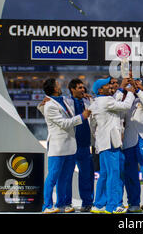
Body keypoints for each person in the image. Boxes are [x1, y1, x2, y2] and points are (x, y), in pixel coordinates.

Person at [40, 78, 90, 214]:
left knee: (66, 178)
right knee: (53, 177)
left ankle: (63, 204)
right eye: (57, 84)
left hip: (70, 146)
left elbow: (73, 101)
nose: (60, 85)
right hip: (57, 147)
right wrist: (82, 117)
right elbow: (64, 123)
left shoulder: (62, 100)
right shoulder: (50, 105)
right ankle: (47, 206)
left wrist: (84, 96)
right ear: (54, 89)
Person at [88, 77, 135, 214]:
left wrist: (121, 88)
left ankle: (99, 204)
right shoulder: (107, 100)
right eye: (107, 86)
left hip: (103, 143)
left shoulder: (95, 102)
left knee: (104, 174)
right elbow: (125, 106)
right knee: (114, 174)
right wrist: (131, 92)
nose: (110, 87)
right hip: (111, 143)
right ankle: (113, 206)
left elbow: (93, 126)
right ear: (100, 89)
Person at [121, 77, 143, 212]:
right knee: (130, 173)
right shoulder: (123, 98)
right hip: (129, 140)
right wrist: (125, 90)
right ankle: (133, 202)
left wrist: (138, 90)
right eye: (132, 84)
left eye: (136, 83)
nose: (133, 86)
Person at [64, 78, 95, 212]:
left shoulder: (88, 101)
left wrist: (92, 98)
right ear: (72, 89)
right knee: (67, 176)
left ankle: (87, 203)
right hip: (70, 145)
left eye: (83, 87)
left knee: (86, 176)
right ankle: (66, 203)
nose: (83, 90)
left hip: (84, 144)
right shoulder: (65, 101)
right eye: (80, 88)